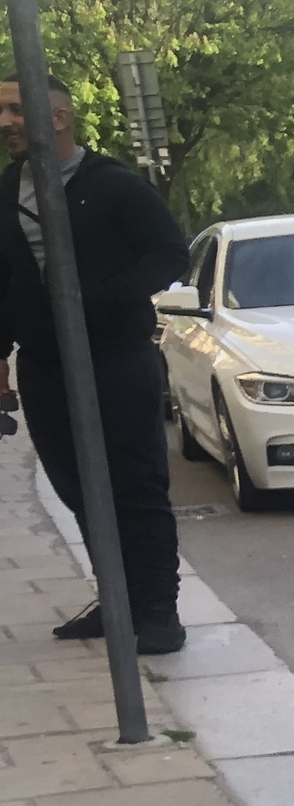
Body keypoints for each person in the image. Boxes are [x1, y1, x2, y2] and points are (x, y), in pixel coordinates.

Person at [0, 76, 188, 652]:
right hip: (44, 365)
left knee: (135, 485)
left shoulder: (114, 187)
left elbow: (169, 257)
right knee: (77, 488)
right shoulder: (8, 189)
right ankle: (118, 599)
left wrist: (92, 298)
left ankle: (158, 612)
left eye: (13, 108)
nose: (3, 122)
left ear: (57, 118)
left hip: (116, 358)